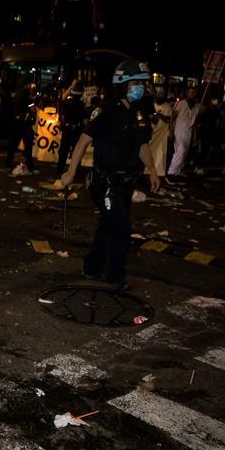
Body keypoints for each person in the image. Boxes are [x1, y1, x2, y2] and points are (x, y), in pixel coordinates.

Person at [60, 59, 160, 290]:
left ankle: (92, 267)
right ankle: (114, 276)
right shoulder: (105, 111)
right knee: (121, 227)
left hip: (127, 182)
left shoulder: (140, 112)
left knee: (108, 225)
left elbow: (142, 145)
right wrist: (70, 172)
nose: (140, 88)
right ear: (122, 84)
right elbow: (83, 141)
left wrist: (153, 171)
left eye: (142, 84)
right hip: (105, 181)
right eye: (135, 83)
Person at [166, 85, 202, 182]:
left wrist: (195, 136)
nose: (193, 94)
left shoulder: (196, 106)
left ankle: (177, 171)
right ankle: (171, 173)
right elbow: (172, 118)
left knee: (183, 152)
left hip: (188, 132)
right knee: (180, 152)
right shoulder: (180, 104)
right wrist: (170, 131)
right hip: (179, 130)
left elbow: (194, 123)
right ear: (187, 93)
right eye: (191, 92)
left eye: (194, 92)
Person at [57, 80, 88, 175]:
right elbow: (85, 121)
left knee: (63, 151)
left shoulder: (67, 103)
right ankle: (75, 171)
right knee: (76, 151)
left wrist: (71, 86)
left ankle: (60, 169)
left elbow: (62, 98)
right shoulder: (82, 105)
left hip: (67, 130)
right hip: (77, 131)